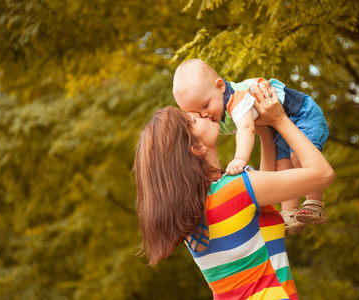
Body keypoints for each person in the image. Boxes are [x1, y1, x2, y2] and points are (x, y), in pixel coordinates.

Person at [134, 83, 335, 300]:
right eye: (193, 120)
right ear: (197, 148)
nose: (202, 114)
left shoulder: (193, 214)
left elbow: (260, 197)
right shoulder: (236, 190)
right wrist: (280, 120)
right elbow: (323, 174)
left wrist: (266, 134)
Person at [173, 59, 330, 236]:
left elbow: (247, 128)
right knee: (283, 166)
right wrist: (267, 131)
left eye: (205, 106)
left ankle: (314, 203)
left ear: (220, 87)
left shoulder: (237, 99)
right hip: (278, 128)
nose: (205, 115)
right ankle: (289, 213)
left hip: (301, 114)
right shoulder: (218, 116)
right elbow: (269, 170)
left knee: (297, 158)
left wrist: (240, 158)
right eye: (197, 114)